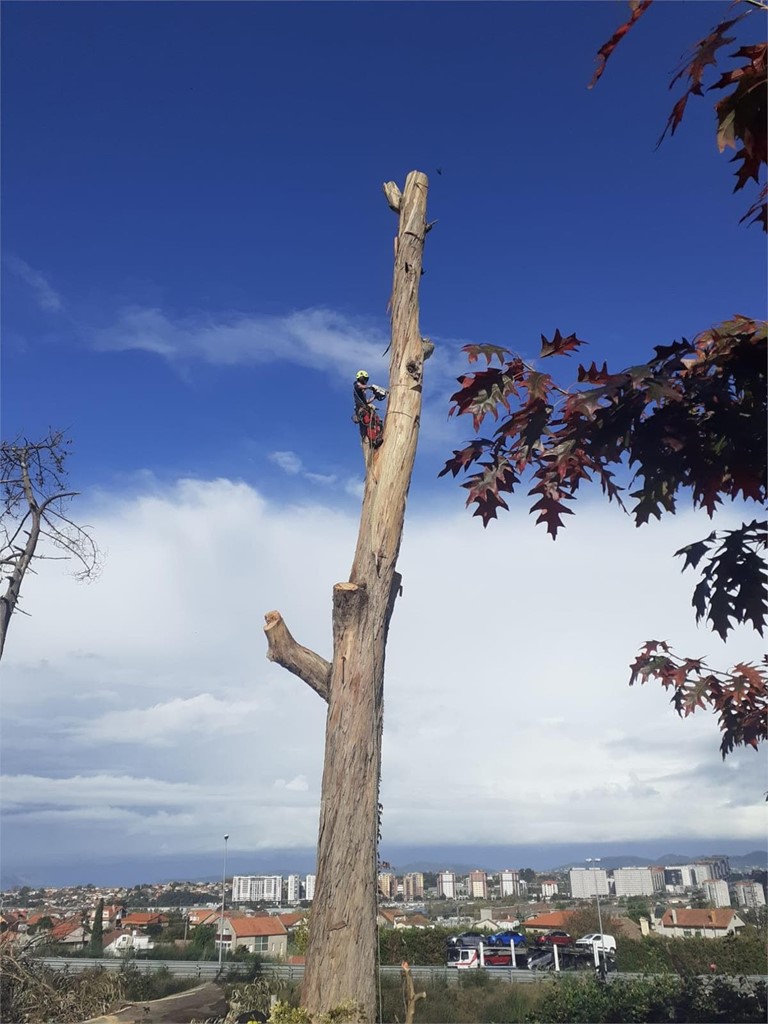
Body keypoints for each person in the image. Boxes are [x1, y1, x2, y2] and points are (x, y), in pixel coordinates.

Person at [353, 370, 386, 448]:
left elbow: (366, 402)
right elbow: (359, 386)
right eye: (364, 379)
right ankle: (373, 441)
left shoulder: (362, 393)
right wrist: (371, 387)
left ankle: (378, 435)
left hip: (365, 408)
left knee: (377, 420)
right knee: (369, 423)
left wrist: (375, 397)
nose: (365, 381)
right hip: (362, 411)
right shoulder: (356, 385)